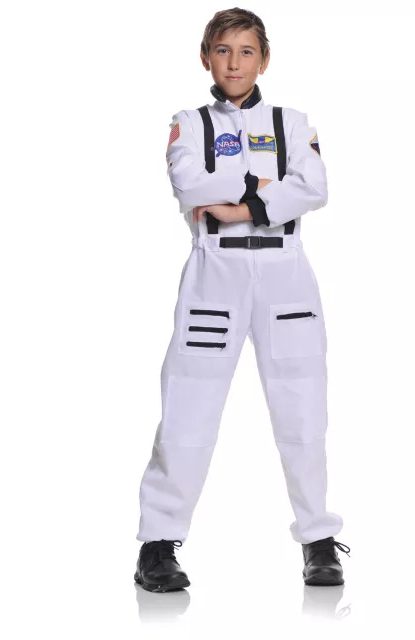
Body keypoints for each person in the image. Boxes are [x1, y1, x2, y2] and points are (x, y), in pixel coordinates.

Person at [134, 8, 350, 593]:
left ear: (264, 58)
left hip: (286, 272)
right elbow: (189, 184)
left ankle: (318, 540)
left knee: (302, 407)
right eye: (223, 50)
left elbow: (316, 187)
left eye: (246, 51)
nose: (234, 63)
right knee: (189, 404)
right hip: (216, 270)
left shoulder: (293, 122)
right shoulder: (189, 124)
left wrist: (244, 205)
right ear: (206, 57)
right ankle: (158, 543)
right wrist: (266, 189)